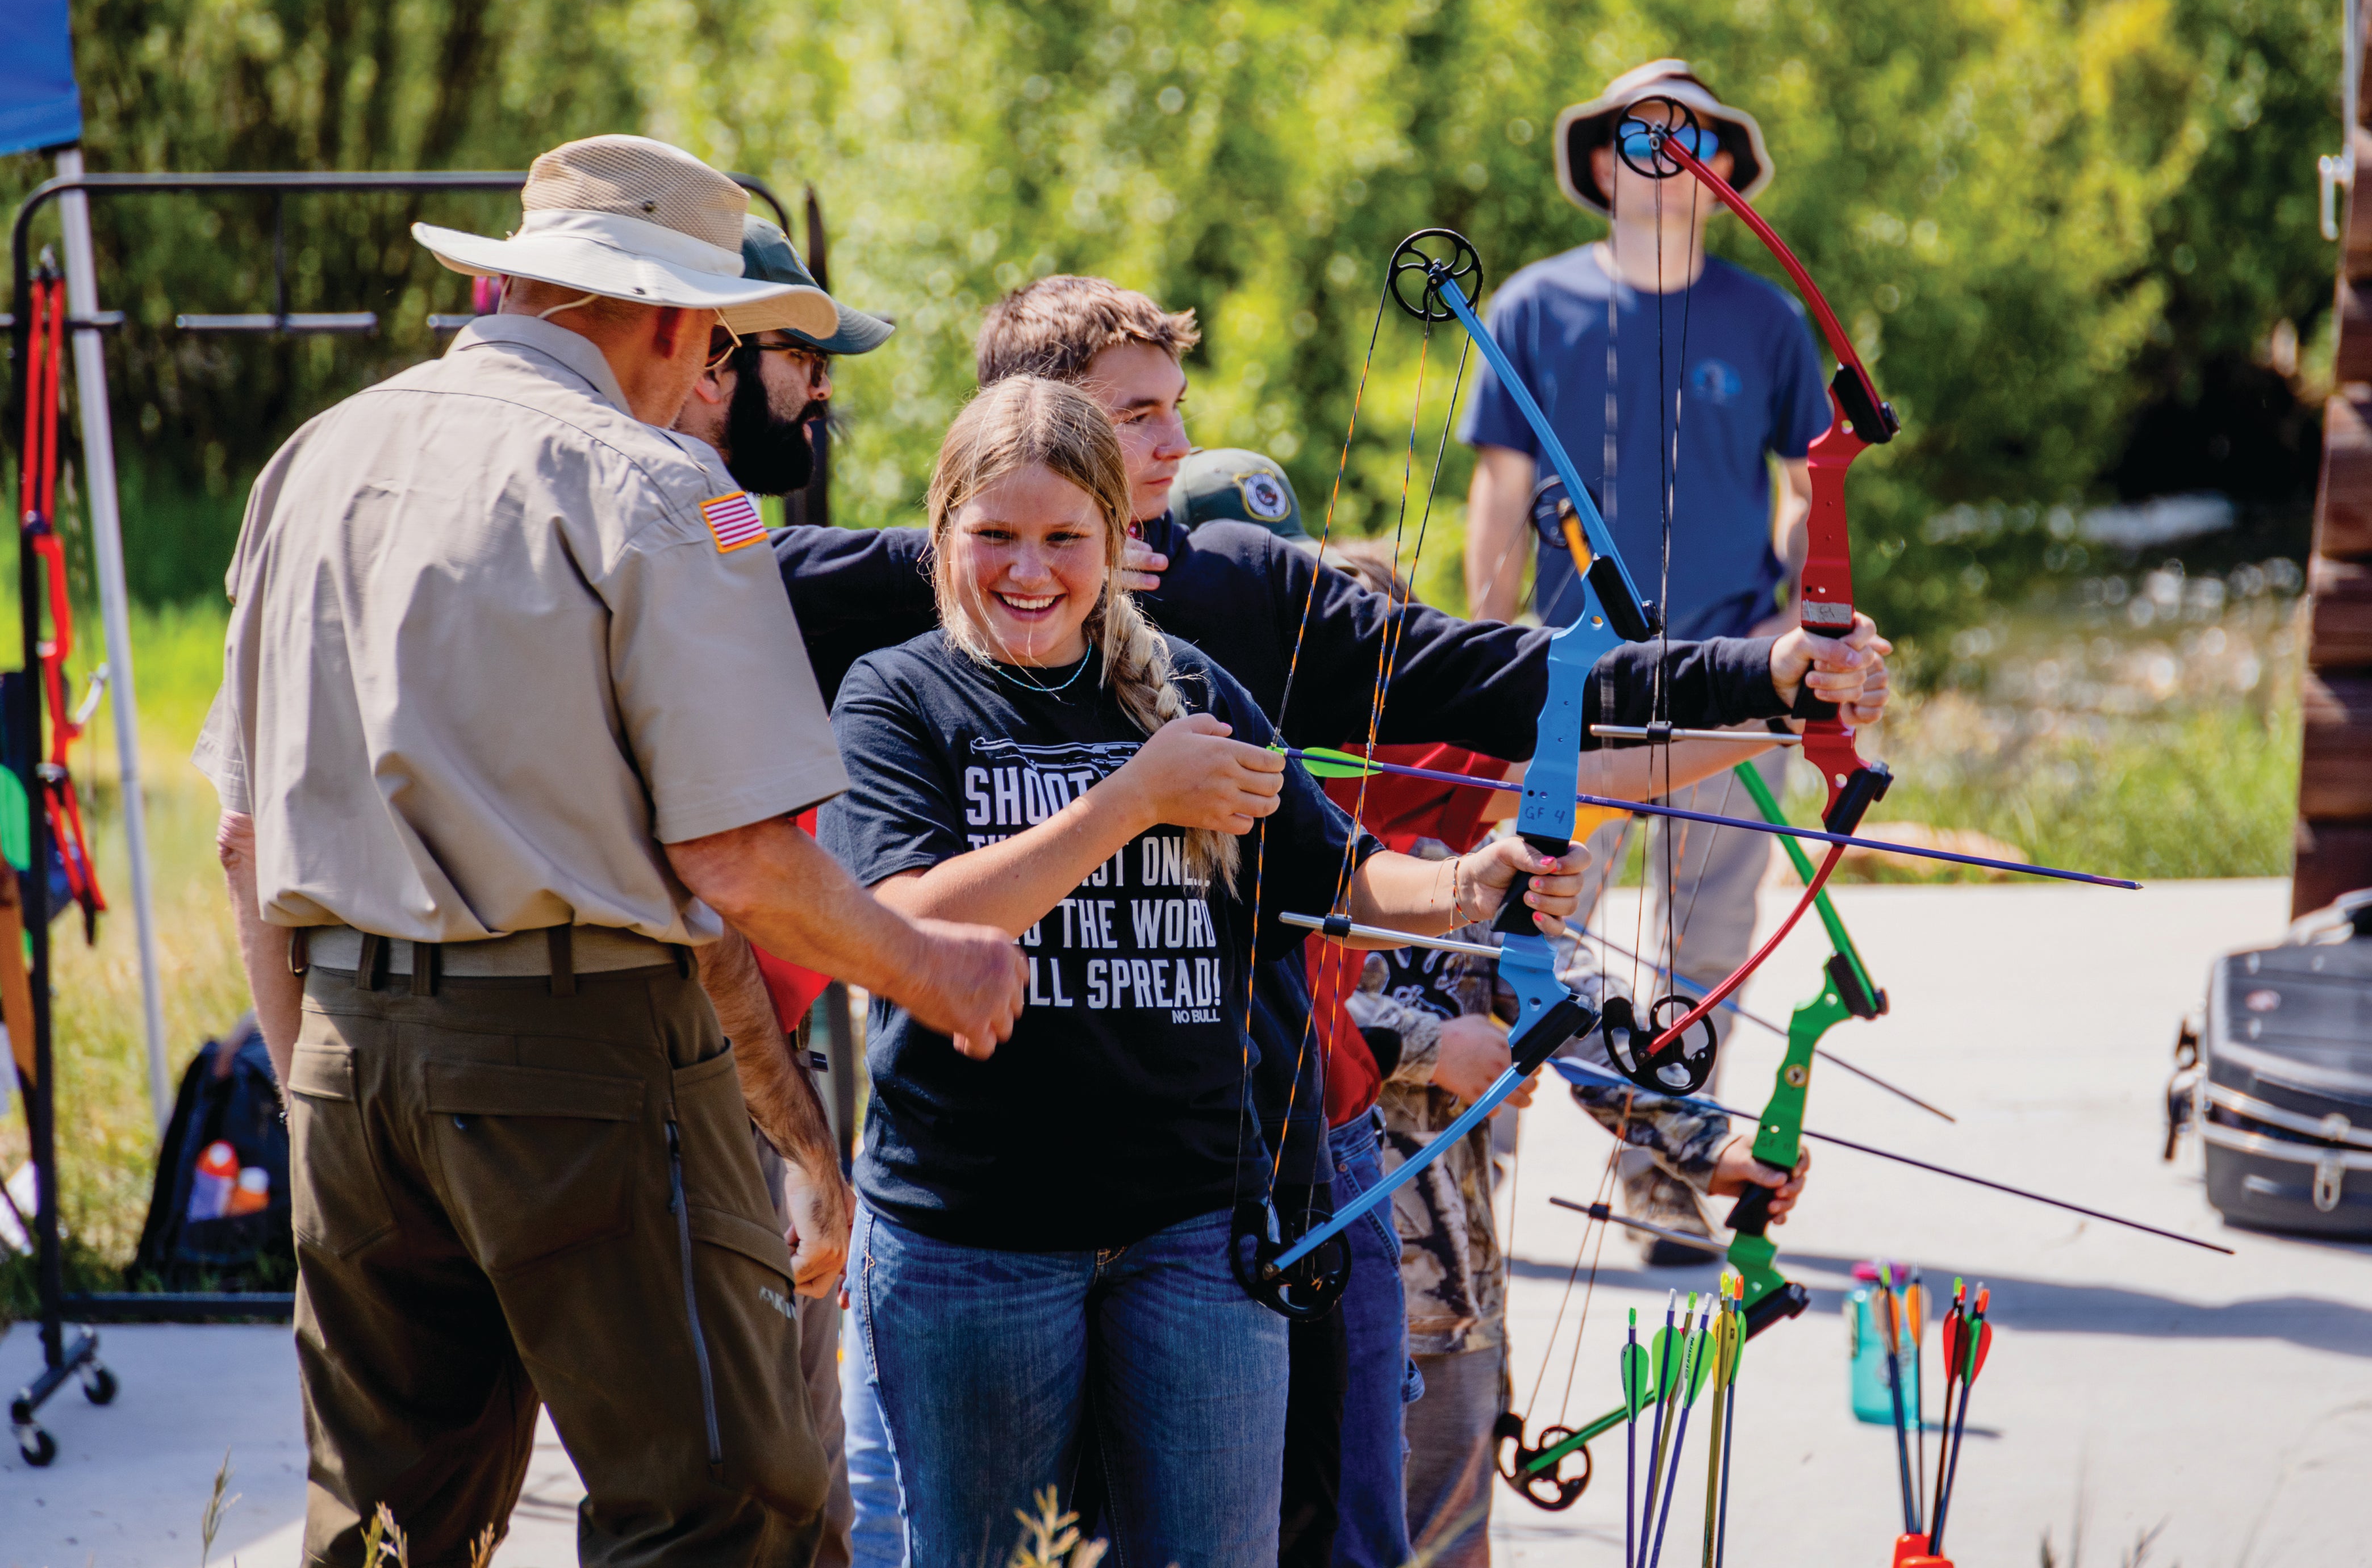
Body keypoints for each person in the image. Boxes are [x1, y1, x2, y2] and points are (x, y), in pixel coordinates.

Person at [199, 134, 1026, 1565]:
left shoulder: (314, 459)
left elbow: (238, 832)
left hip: (339, 1048)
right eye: (708, 333)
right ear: (664, 318)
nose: (703, 369)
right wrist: (934, 966)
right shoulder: (652, 486)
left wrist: (311, 1084)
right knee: (726, 1504)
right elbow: (742, 862)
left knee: (395, 1526)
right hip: (578, 1055)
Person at [820, 376, 1593, 1568]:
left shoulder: (1186, 688)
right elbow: (908, 923)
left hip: (1195, 1227)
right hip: (977, 1233)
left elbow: (1340, 880)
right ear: (942, 537)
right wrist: (1131, 802)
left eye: (1065, 539)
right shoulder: (898, 694)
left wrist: (1477, 882)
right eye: (996, 538)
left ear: (1117, 541)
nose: (1030, 572)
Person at [1308, 541, 1831, 1568]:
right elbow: (1256, 1007)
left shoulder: (1453, 809)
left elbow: (1563, 989)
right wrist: (1432, 1044)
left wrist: (1700, 1143)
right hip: (1286, 1278)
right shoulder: (1237, 807)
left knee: (1448, 1545)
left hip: (1449, 1297)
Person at [1460, 58, 1828, 1257]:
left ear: (1725, 177)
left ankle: (1662, 1165)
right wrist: (1484, 656)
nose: (1668, 161)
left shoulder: (1767, 320)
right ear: (1607, 164)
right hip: (1577, 684)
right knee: (1530, 924)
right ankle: (1469, 1161)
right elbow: (1501, 490)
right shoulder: (1532, 307)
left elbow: (1807, 486)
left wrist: (1797, 623)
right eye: (1643, 138)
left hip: (1725, 679)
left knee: (1709, 939)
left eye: (1695, 143)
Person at [667, 213, 896, 1568]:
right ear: (715, 352)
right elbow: (712, 879)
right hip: (711, 1079)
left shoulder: (728, 524)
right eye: (801, 354)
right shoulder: (690, 527)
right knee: (740, 1498)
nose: (823, 388)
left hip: (766, 1060)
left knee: (801, 1494)